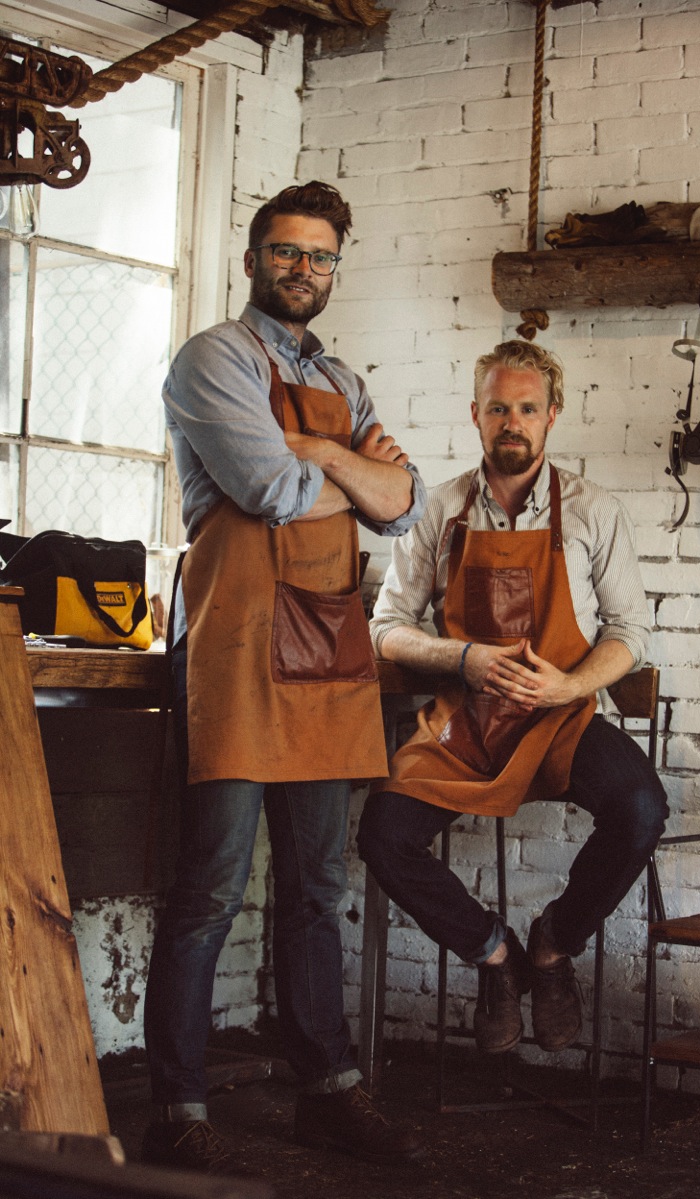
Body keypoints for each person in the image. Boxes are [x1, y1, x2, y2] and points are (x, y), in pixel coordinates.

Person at [142, 181, 426, 1174]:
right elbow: (263, 488)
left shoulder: (342, 376)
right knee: (209, 890)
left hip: (332, 650)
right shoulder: (213, 357)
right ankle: (175, 1102)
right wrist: (345, 459)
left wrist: (322, 450)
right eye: (286, 252)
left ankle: (329, 1088)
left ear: (334, 267)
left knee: (315, 886)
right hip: (239, 641)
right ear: (254, 255)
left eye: (320, 257)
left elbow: (403, 505)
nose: (303, 270)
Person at [358, 339, 668, 1060]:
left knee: (640, 809)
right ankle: (495, 954)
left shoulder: (593, 509)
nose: (511, 422)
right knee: (382, 835)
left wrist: (567, 683)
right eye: (498, 407)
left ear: (551, 416)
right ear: (475, 413)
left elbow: (631, 630)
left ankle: (553, 947)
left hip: (559, 717)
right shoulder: (438, 509)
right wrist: (462, 659)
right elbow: (386, 629)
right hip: (466, 721)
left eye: (526, 408)